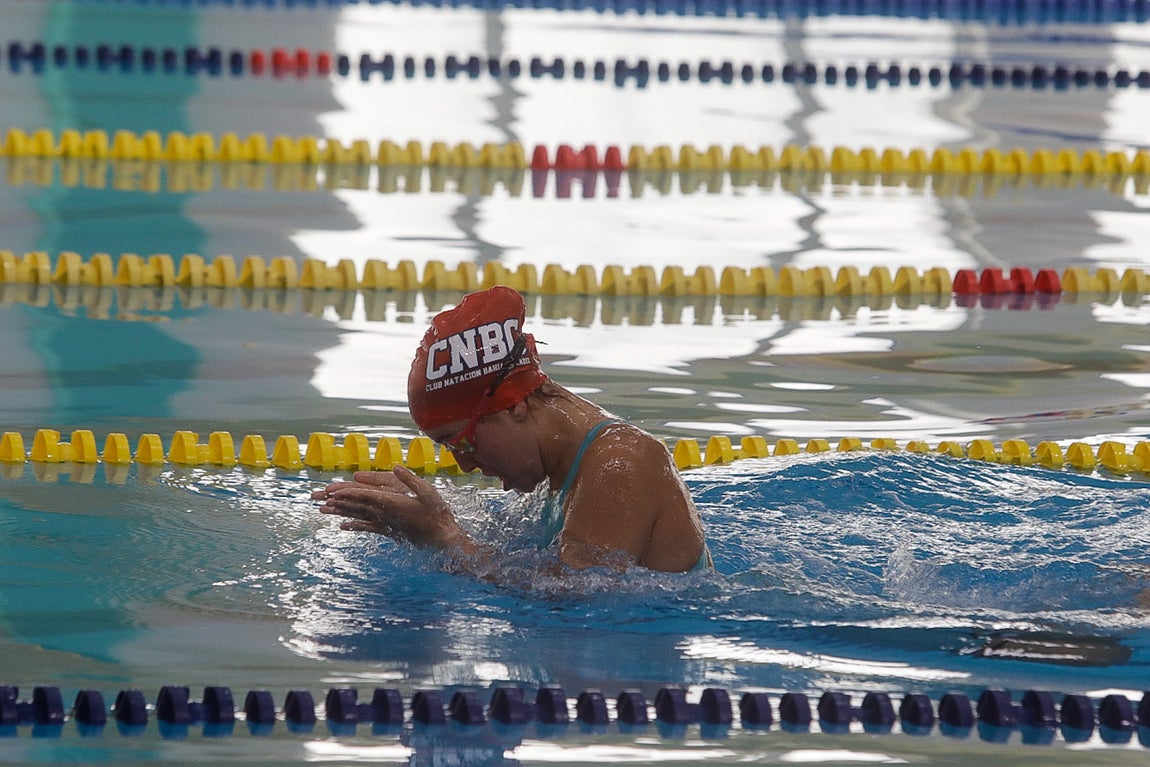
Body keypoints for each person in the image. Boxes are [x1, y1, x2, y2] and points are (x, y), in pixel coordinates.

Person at [313, 285, 711, 574]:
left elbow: (579, 602)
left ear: (514, 406)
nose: (465, 464)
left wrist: (446, 539)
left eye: (461, 441)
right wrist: (424, 515)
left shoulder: (620, 461)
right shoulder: (555, 470)